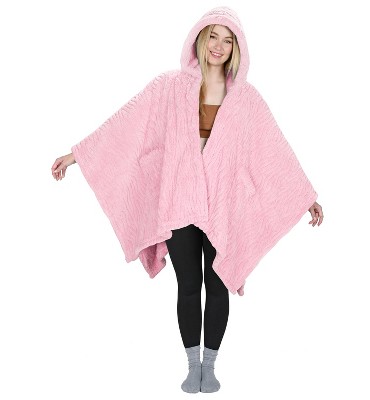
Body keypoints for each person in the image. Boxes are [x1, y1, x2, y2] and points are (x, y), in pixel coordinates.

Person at [51, 8, 324, 394]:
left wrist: (305, 195)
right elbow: (128, 125)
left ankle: (210, 368)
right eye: (213, 36)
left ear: (236, 48)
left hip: (222, 207)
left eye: (228, 40)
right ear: (200, 37)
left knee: (218, 283)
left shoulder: (246, 99)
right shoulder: (170, 88)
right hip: (181, 203)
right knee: (189, 285)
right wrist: (76, 155)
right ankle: (192, 365)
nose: (219, 46)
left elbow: (273, 151)